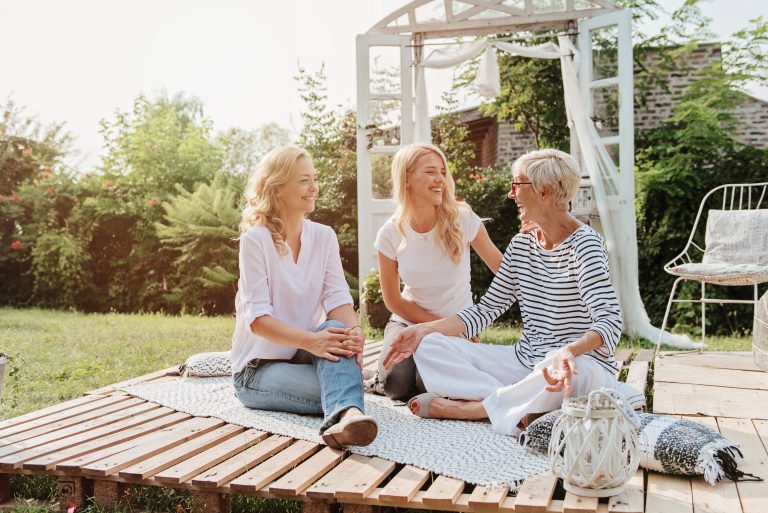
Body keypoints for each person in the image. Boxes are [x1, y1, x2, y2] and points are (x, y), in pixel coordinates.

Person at [383, 148, 644, 435]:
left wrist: (569, 351)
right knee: (430, 345)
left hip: (577, 365)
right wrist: (424, 330)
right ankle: (519, 403)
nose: (511, 194)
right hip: (525, 361)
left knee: (570, 369)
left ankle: (473, 409)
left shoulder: (586, 245)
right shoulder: (521, 245)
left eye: (517, 185)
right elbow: (486, 310)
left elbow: (610, 322)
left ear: (544, 192)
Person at [231, 146, 377, 449]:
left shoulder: (323, 236)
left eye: (314, 179)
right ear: (277, 188)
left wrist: (355, 333)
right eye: (303, 181)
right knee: (343, 384)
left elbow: (337, 297)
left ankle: (346, 414)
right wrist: (312, 342)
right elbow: (258, 321)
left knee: (334, 333)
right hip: (258, 370)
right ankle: (348, 412)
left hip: (305, 351)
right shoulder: (255, 240)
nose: (314, 188)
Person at [374, 143, 502, 401]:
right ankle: (386, 375)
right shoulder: (389, 233)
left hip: (457, 325)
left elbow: (504, 271)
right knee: (394, 384)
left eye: (442, 172)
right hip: (409, 322)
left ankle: (427, 370)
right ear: (407, 178)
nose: (440, 179)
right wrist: (433, 328)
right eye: (431, 172)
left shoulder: (462, 219)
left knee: (428, 383)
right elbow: (393, 300)